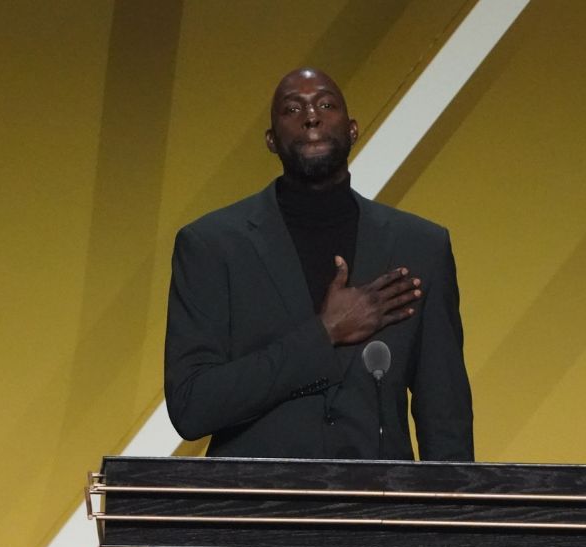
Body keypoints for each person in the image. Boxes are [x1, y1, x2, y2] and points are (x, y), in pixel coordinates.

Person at [164, 68, 473, 461]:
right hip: (253, 511)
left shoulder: (420, 246)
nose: (311, 116)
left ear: (354, 128)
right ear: (271, 141)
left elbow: (445, 415)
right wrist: (323, 334)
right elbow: (192, 405)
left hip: (381, 511)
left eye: (326, 104)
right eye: (292, 109)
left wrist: (450, 518)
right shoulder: (211, 246)